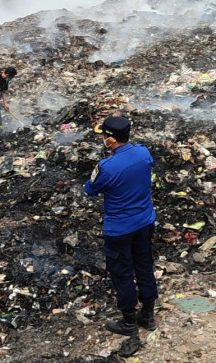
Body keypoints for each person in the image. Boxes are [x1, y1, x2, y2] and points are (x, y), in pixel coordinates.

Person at [83, 116, 158, 335]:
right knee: (144, 266)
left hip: (119, 230)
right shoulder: (144, 152)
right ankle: (148, 315)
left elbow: (90, 189)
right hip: (145, 222)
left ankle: (128, 322)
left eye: (104, 136)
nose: (103, 139)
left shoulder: (107, 167)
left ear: (111, 139)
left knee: (122, 273)